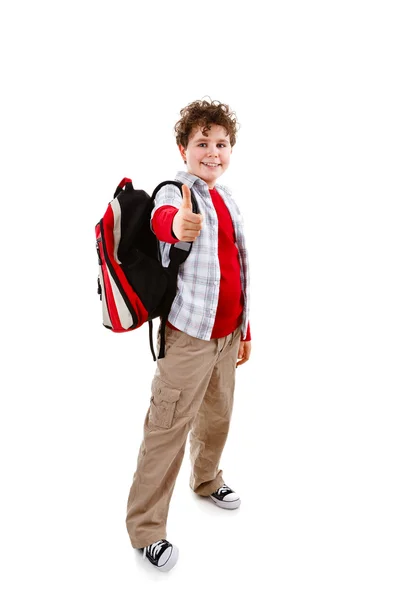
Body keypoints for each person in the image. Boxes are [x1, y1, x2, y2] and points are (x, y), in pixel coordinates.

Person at [125, 98, 251, 572]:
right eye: (203, 142)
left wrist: (245, 329)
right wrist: (177, 224)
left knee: (217, 417)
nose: (213, 152)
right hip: (190, 337)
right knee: (167, 429)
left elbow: (237, 267)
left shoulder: (228, 198)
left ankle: (206, 479)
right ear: (183, 148)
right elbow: (165, 223)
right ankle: (146, 529)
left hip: (226, 336)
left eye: (221, 143)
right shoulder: (176, 192)